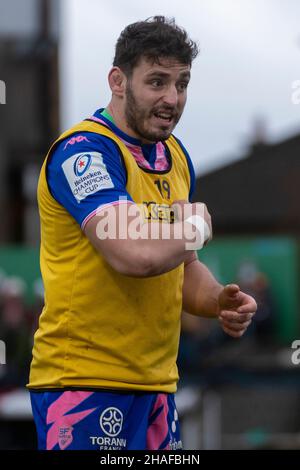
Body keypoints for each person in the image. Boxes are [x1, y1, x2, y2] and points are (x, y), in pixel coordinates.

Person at [27, 16, 257, 451]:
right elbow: (135, 256)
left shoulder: (174, 156)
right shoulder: (84, 153)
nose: (172, 98)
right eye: (157, 82)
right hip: (83, 384)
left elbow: (179, 267)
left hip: (156, 388)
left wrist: (218, 301)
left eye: (182, 84)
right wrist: (196, 226)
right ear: (118, 80)